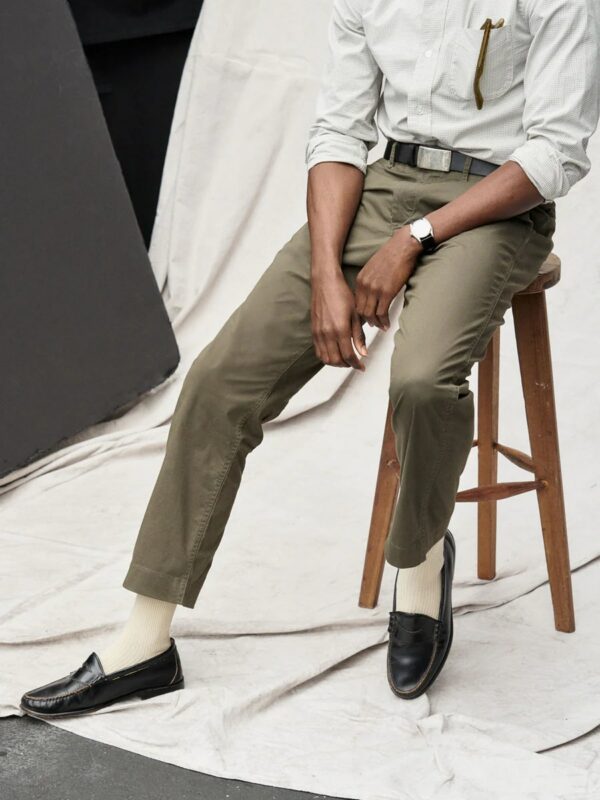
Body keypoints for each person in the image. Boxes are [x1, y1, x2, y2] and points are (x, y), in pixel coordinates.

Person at [20, 0, 599, 717]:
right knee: (218, 380)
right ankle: (146, 641)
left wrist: (415, 237)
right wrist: (328, 272)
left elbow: (556, 151)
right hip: (384, 188)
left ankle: (420, 564)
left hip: (495, 208)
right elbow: (340, 130)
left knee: (420, 381)